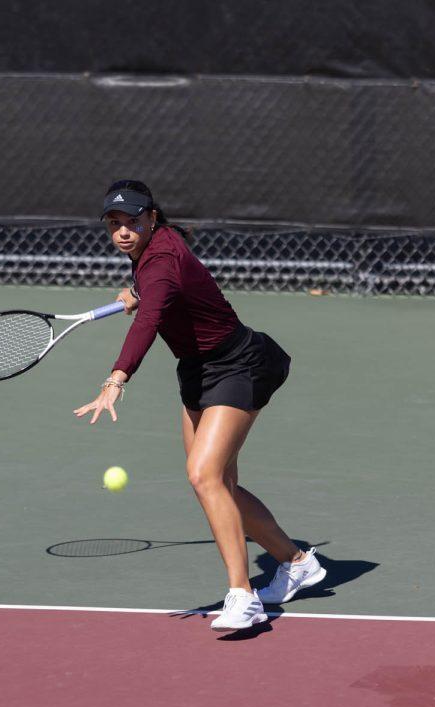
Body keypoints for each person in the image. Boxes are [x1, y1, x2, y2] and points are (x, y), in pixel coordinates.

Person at [74, 180, 325, 631]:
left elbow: (150, 319)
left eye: (133, 221)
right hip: (197, 371)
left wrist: (117, 377)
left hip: (238, 365)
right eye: (114, 224)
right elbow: (156, 294)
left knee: (203, 475)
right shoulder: (157, 249)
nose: (123, 232)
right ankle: (297, 562)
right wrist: (137, 291)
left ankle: (242, 595)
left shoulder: (161, 261)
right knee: (216, 482)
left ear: (152, 217)